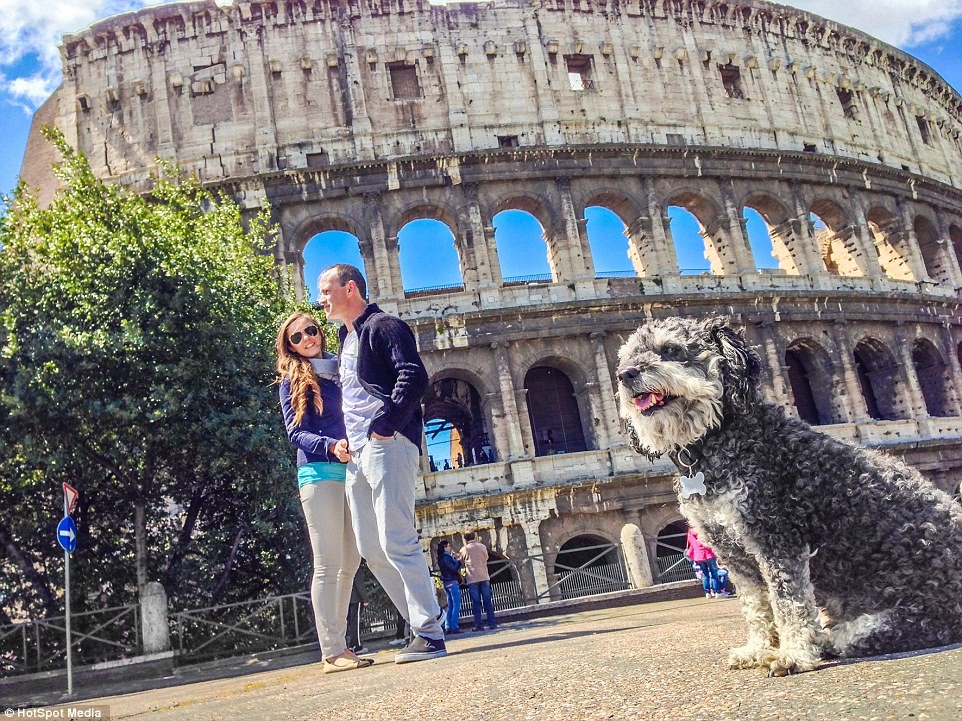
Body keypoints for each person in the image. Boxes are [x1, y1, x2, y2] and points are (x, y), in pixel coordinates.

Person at [318, 264, 446, 664]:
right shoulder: (346, 337)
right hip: (358, 454)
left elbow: (413, 375)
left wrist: (386, 425)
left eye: (325, 291)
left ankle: (428, 633)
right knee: (372, 548)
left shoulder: (385, 325)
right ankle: (425, 626)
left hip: (387, 444)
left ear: (350, 288)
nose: (320, 299)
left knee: (397, 537)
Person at [275, 311, 373, 674]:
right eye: (296, 338)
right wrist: (332, 446)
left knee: (351, 560)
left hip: (349, 470)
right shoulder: (294, 379)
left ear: (320, 332)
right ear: (290, 347)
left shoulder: (340, 369)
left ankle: (341, 645)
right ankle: (330, 650)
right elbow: (295, 433)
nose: (306, 339)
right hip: (318, 473)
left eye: (310, 331)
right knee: (328, 563)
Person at [460, 532, 497, 631]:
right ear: (475, 537)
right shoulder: (482, 546)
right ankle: (492, 623)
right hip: (484, 576)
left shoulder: (464, 550)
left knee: (476, 603)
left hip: (472, 578)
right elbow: (486, 558)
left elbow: (461, 563)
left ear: (465, 539)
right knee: (488, 601)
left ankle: (479, 625)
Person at [685, 527, 722, 599]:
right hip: (708, 554)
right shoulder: (702, 529)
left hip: (698, 556)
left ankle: (707, 593)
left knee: (705, 575)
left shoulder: (690, 532)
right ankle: (718, 592)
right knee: (714, 574)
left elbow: (690, 542)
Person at [436, 540, 463, 634]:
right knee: (456, 604)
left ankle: (448, 626)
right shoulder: (446, 558)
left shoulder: (442, 558)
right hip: (451, 581)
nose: (450, 547)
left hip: (446, 582)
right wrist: (458, 561)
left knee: (451, 605)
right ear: (445, 548)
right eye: (448, 546)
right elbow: (453, 568)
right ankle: (454, 626)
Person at [345, 571, 368, 654]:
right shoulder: (355, 568)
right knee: (355, 623)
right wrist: (365, 598)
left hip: (345, 599)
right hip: (355, 598)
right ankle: (356, 646)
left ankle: (350, 645)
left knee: (350, 623)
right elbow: (359, 583)